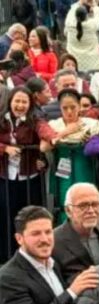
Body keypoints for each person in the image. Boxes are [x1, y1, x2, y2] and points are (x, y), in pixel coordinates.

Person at [0, 87, 57, 262]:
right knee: (5, 217)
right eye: (17, 101)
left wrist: (53, 138)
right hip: (5, 177)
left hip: (29, 177)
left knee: (29, 217)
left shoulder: (34, 120)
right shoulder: (2, 120)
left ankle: (30, 255)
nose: (20, 105)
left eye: (24, 102)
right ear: (10, 102)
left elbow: (44, 130)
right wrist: (5, 149)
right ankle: (7, 256)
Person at [46, 89, 99, 222]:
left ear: (79, 106)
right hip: (62, 171)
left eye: (73, 107)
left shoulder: (92, 124)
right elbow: (45, 146)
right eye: (65, 108)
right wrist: (66, 132)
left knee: (86, 199)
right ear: (60, 108)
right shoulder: (54, 125)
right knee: (65, 201)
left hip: (85, 168)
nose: (69, 111)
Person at [53, 183, 99, 284]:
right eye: (83, 206)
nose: (91, 211)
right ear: (68, 210)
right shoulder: (54, 240)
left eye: (95, 204)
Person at [65, 0, 99, 72]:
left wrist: (79, 2)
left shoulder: (69, 23)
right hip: (93, 63)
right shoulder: (92, 25)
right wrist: (94, 5)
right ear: (86, 16)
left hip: (75, 62)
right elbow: (98, 15)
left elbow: (71, 11)